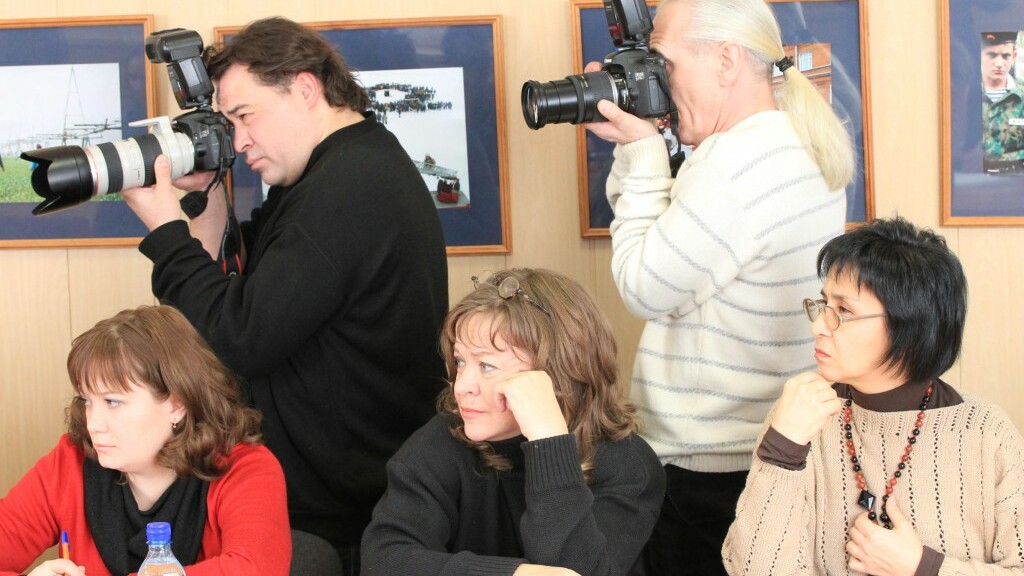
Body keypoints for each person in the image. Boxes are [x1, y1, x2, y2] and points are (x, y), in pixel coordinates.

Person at [119, 17, 449, 571]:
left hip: (345, 522)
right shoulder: (334, 172)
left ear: (304, 87)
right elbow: (243, 275)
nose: (239, 140)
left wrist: (165, 232)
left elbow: (241, 338)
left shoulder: (349, 187)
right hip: (332, 500)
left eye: (245, 116)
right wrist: (207, 197)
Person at [582, 0, 855, 573]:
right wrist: (642, 151)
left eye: (665, 62)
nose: (659, 79)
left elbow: (645, 285)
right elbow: (658, 236)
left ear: (726, 60)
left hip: (709, 468)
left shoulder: (735, 164)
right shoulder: (794, 139)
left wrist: (641, 151)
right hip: (770, 448)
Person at [723, 217, 1024, 575]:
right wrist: (782, 449)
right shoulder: (798, 416)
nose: (817, 326)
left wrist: (922, 567)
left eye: (844, 310)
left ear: (909, 325)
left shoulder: (986, 433)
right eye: (823, 304)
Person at [361, 268, 666, 576]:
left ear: (558, 374)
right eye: (461, 361)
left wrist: (548, 440)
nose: (462, 385)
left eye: (487, 366)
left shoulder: (627, 464)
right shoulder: (442, 441)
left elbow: (581, 570)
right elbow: (384, 559)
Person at [0, 305, 290, 576]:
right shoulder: (69, 461)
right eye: (87, 401)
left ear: (178, 404)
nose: (93, 424)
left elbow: (255, 569)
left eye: (113, 402)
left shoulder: (246, 468)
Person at [980, 31, 1024, 174]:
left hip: (1014, 180)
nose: (999, 63)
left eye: (1006, 56)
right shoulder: (966, 95)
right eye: (991, 55)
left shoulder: (1021, 98)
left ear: (1014, 56)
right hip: (972, 180)